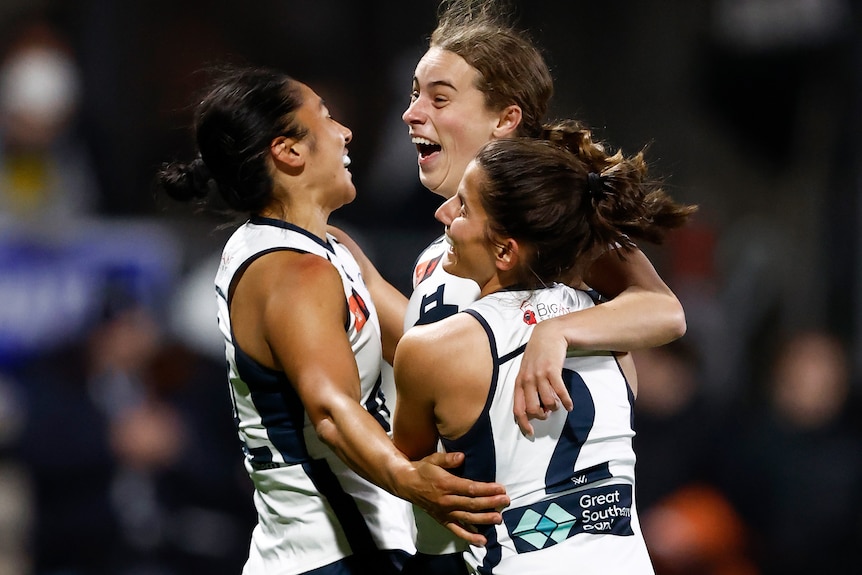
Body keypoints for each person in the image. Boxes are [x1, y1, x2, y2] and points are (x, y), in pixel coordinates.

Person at [155, 65, 509, 575]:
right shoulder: (290, 271)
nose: (344, 132)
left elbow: (424, 348)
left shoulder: (331, 249)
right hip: (328, 558)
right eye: (324, 117)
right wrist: (409, 478)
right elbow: (331, 408)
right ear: (289, 150)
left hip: (357, 548)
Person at [393, 125, 696, 574]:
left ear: (504, 250)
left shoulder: (432, 350)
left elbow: (405, 467)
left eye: (463, 208)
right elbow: (662, 308)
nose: (444, 214)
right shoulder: (614, 340)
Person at [397, 0, 688, 434]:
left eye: (439, 99)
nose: (412, 113)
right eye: (415, 94)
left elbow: (664, 310)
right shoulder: (443, 250)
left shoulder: (554, 223)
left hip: (545, 494)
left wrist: (557, 332)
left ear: (505, 118)